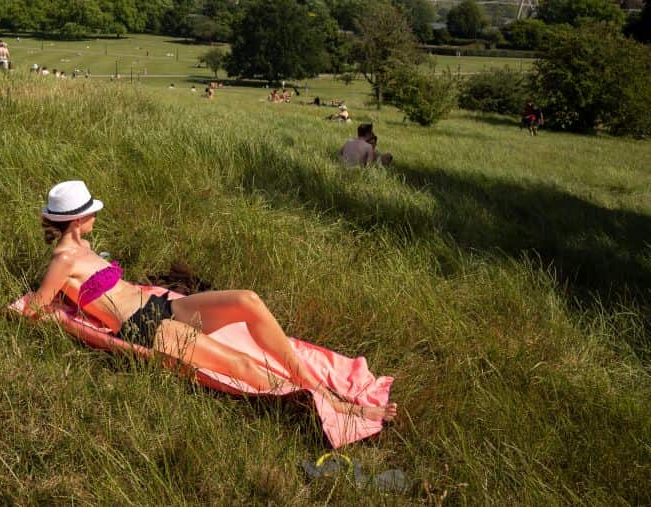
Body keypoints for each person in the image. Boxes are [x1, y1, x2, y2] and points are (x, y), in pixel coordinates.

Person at [24, 181, 398, 423]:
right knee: (242, 365)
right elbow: (39, 306)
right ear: (77, 220)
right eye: (91, 212)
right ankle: (343, 408)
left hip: (162, 307)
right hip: (144, 327)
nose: (95, 215)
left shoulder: (86, 246)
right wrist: (74, 316)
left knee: (248, 300)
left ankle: (310, 379)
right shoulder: (63, 260)